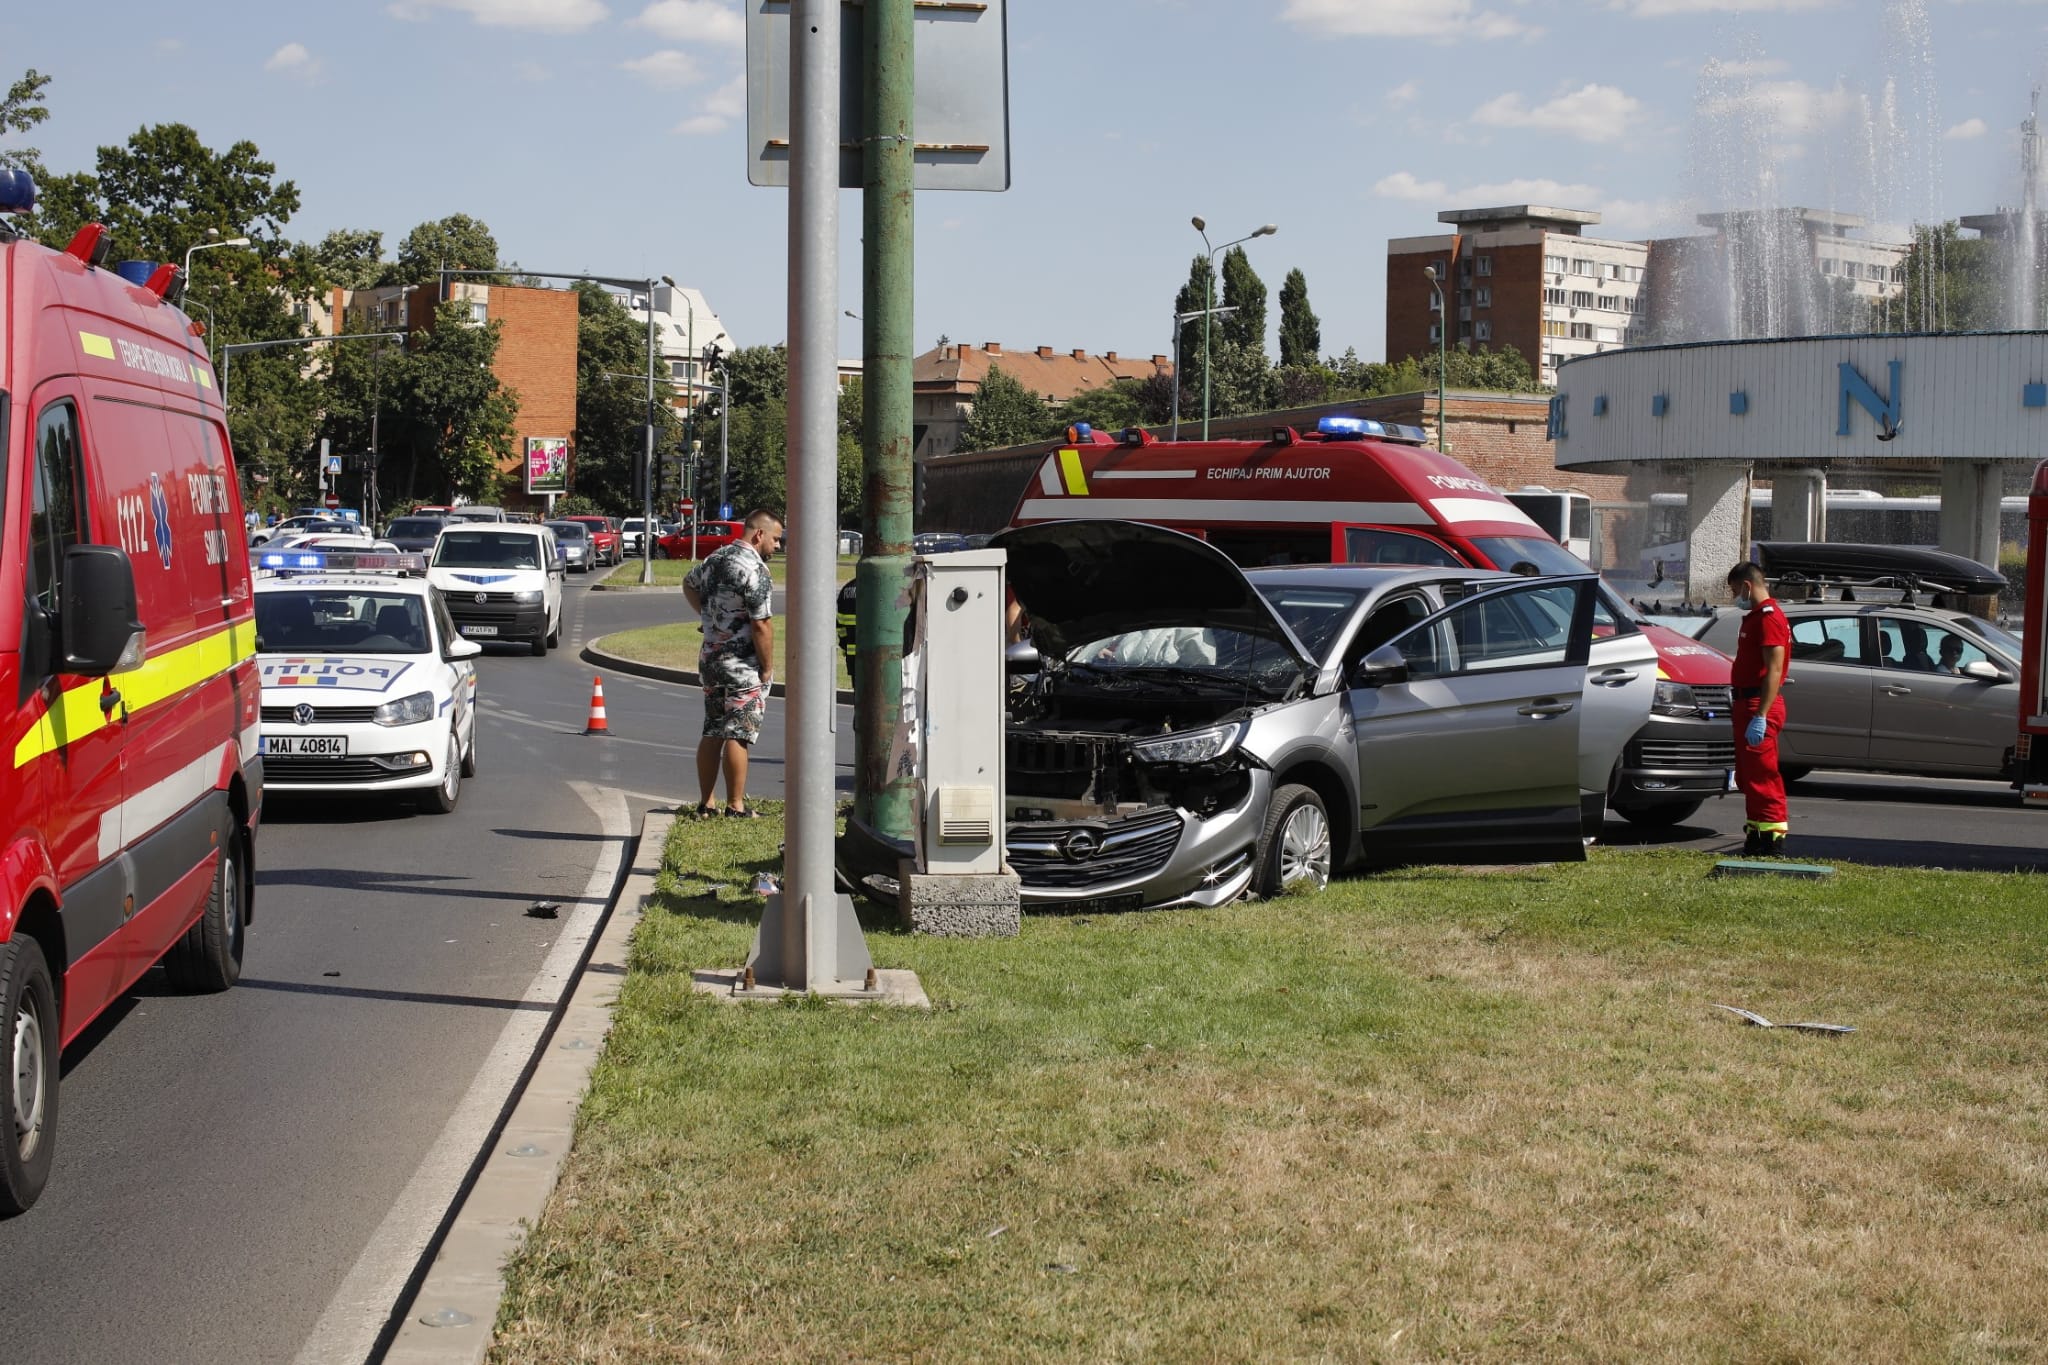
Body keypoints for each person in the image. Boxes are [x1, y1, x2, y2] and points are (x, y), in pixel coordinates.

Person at [683, 509, 784, 818]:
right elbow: (761, 625)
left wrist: (709, 617)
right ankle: (736, 806)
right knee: (738, 734)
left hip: (711, 659)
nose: (777, 546)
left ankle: (706, 804)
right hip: (743, 664)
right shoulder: (756, 569)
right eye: (776, 539)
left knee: (712, 730)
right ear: (759, 535)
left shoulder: (716, 558)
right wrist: (767, 667)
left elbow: (689, 583)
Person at [1727, 561, 1791, 857]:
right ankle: (1756, 834)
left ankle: (1772, 841)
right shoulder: (1756, 617)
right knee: (1749, 776)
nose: (1734, 596)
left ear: (1747, 586)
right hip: (1746, 703)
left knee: (1763, 776)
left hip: (1758, 705)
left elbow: (1774, 670)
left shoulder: (1768, 617)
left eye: (1734, 590)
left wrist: (1761, 715)